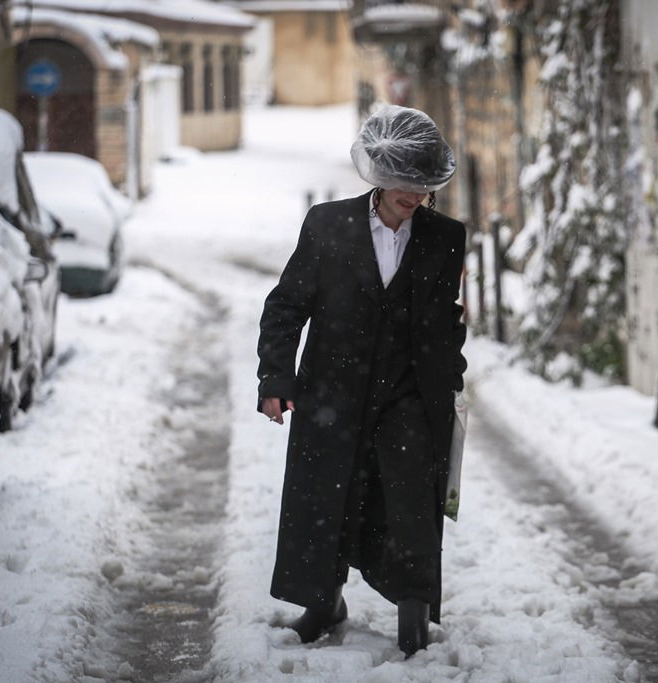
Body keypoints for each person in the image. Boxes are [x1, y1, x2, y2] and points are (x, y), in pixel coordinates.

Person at [257, 105, 467, 656]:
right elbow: (286, 307)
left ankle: (414, 612)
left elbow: (446, 322)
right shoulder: (328, 225)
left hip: (409, 395)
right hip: (332, 391)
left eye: (424, 183)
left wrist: (450, 382)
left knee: (411, 504)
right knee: (324, 498)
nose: (414, 194)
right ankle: (323, 603)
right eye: (404, 180)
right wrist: (275, 377)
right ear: (378, 171)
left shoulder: (446, 238)